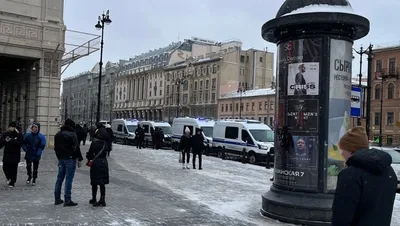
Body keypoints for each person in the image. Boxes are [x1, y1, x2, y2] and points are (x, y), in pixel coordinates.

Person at [331, 127, 397, 226]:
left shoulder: (350, 175)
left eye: (342, 149)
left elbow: (341, 217)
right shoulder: (389, 171)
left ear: (350, 150)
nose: (341, 153)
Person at [54, 118, 83, 207]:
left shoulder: (58, 134)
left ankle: (57, 198)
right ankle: (67, 199)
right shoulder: (72, 134)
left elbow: (56, 147)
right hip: (70, 158)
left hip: (61, 158)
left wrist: (59, 157)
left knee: (59, 178)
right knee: (69, 179)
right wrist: (80, 158)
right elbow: (76, 147)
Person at [86, 126, 110, 207]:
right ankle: (102, 199)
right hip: (104, 162)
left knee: (95, 182)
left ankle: (94, 198)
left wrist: (88, 157)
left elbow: (90, 154)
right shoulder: (105, 143)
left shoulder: (95, 142)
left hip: (96, 163)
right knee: (102, 182)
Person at [0, 122, 23, 187]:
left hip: (15, 154)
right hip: (7, 154)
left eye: (13, 127)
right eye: (11, 127)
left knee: (14, 169)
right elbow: (0, 144)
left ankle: (12, 182)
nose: (12, 128)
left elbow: (20, 143)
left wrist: (12, 140)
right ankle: (8, 177)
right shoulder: (5, 134)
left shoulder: (18, 134)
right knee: (5, 167)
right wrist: (5, 141)